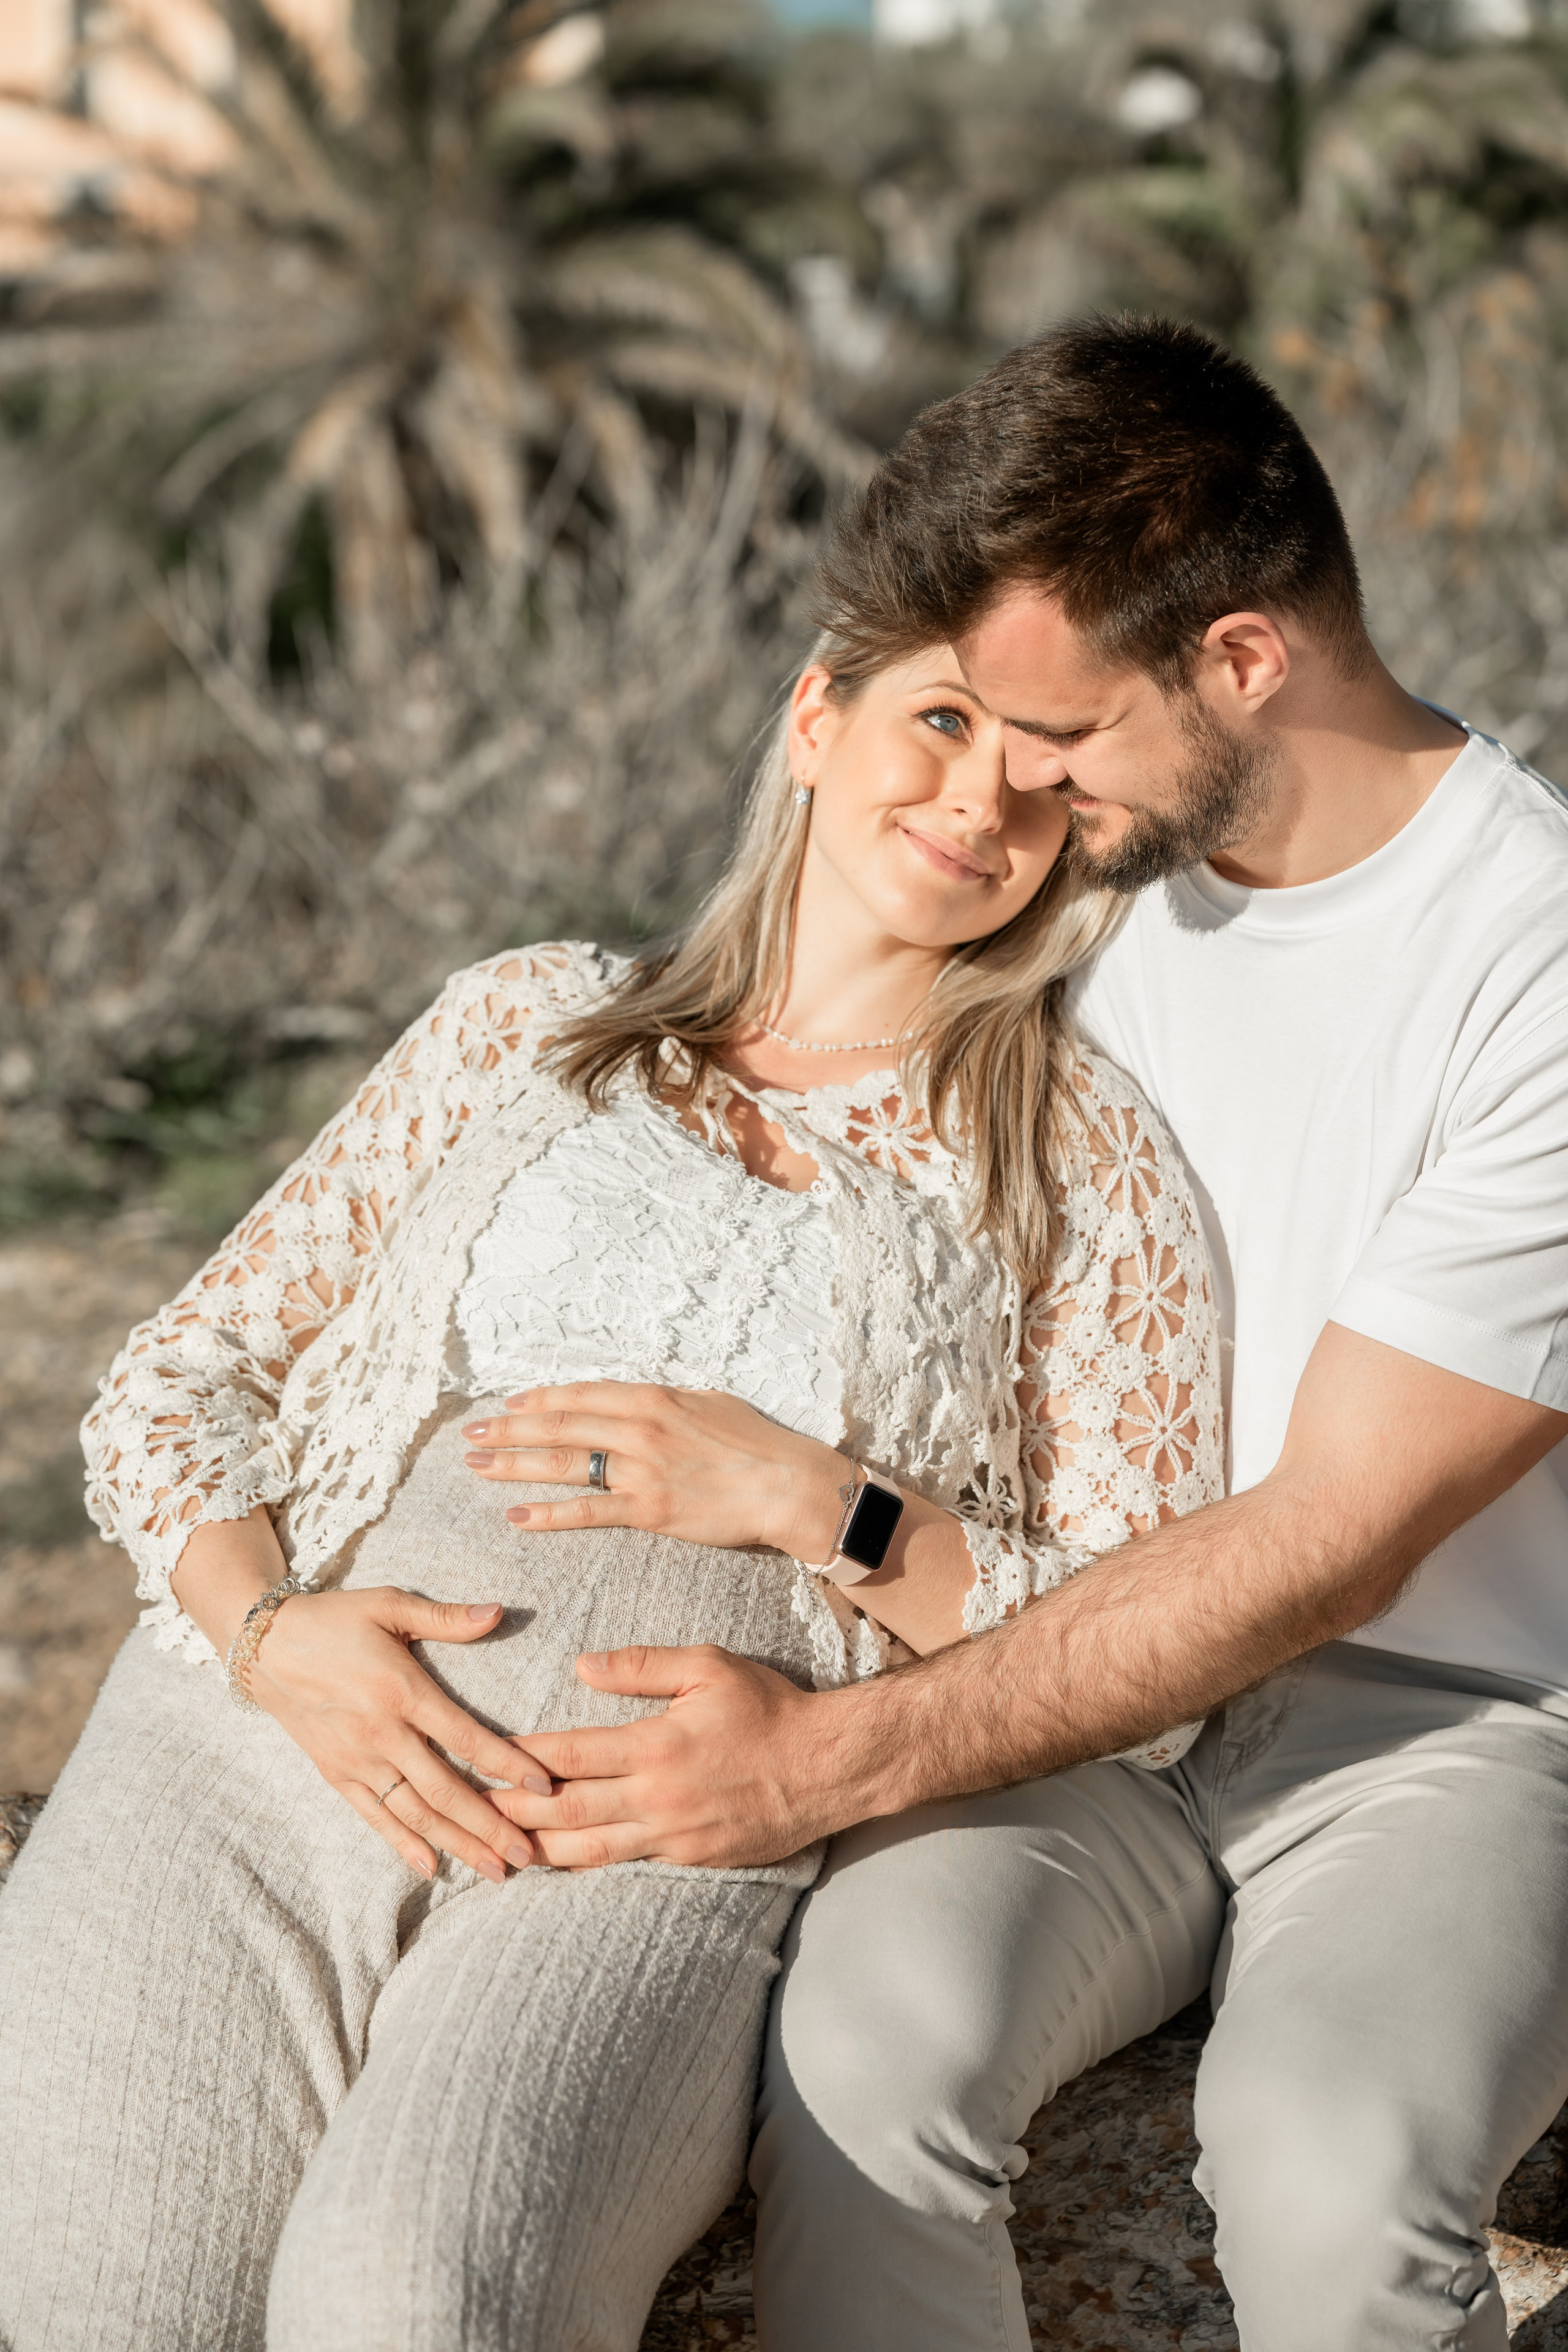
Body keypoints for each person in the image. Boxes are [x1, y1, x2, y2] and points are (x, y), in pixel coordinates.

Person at [485, 318, 1568, 2351]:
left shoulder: (1536, 970)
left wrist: (824, 1762)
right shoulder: (1086, 885)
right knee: (862, 2066)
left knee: (1330, 2176)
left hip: (1437, 1720)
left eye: (1055, 730)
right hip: (1052, 1667)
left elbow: (1328, 1541)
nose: (1014, 790)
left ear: (1243, 660)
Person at [0, 609, 1225, 2348]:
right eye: (942, 722)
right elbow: (177, 1379)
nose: (979, 802)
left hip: (633, 1836)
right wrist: (271, 1634)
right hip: (251, 1752)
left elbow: (1150, 1657)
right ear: (817, 710)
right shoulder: (526, 1015)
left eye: (1041, 776)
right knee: (86, 2306)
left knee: (416, 2300)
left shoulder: (1074, 1153)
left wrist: (833, 1506)